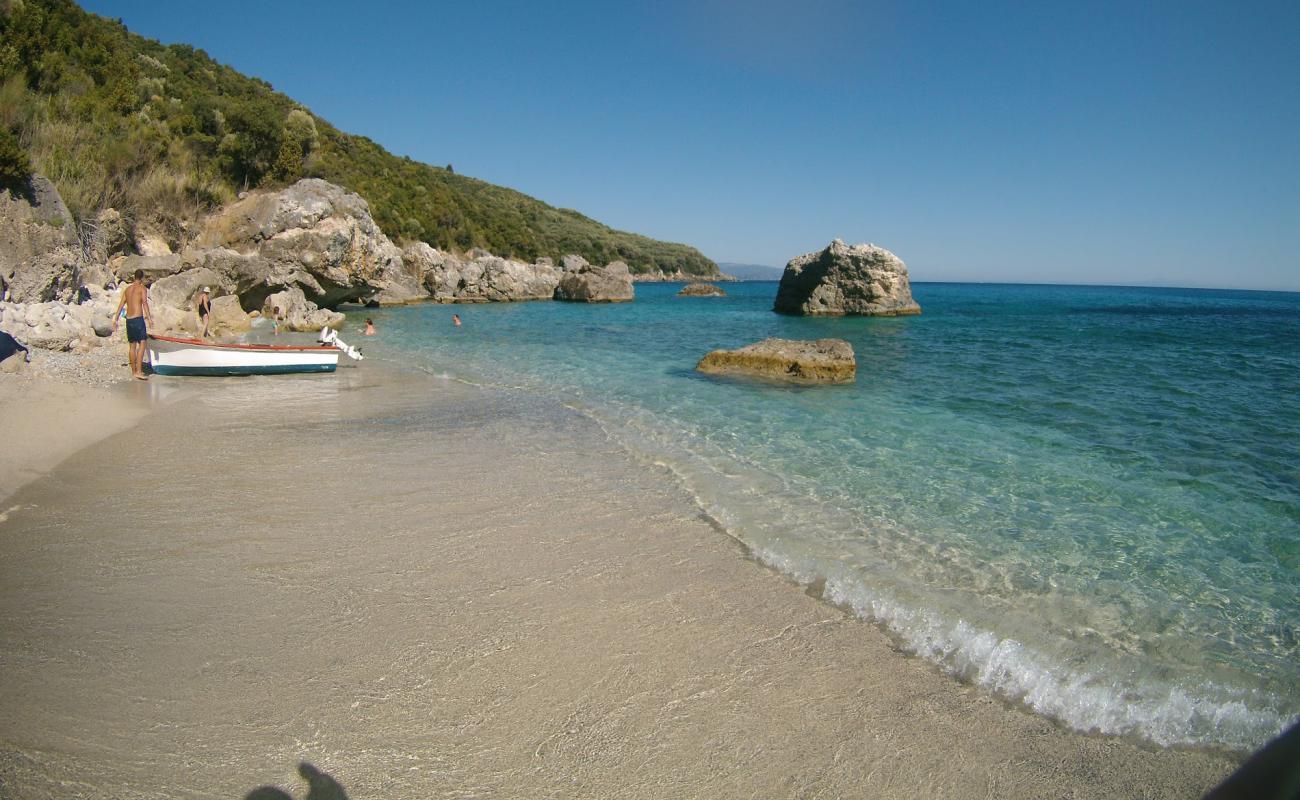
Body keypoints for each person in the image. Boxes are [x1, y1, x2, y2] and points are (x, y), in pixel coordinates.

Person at [112, 269, 153, 380]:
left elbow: (121, 305)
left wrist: (115, 319)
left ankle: (134, 371)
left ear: (134, 277)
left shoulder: (128, 289)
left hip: (129, 320)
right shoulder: (142, 289)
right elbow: (144, 303)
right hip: (138, 319)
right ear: (142, 278)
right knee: (142, 344)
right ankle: (139, 371)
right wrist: (149, 319)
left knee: (132, 346)